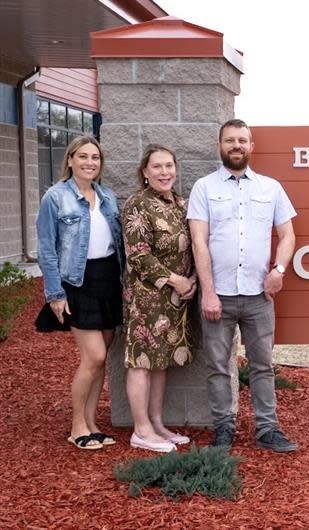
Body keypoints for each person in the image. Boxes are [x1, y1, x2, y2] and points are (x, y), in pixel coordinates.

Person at [187, 119, 298, 452]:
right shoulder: (204, 188)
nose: (236, 145)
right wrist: (207, 291)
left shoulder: (270, 188)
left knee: (263, 365)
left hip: (259, 296)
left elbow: (289, 234)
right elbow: (198, 242)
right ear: (219, 146)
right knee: (219, 367)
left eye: (242, 140)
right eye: (230, 140)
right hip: (218, 295)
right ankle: (224, 429)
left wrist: (278, 269)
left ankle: (268, 430)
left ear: (252, 146)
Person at [36, 136, 124, 450]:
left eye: (95, 158)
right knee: (94, 356)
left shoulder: (108, 197)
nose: (90, 162)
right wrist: (54, 294)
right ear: (70, 160)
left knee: (101, 360)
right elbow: (46, 249)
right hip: (77, 283)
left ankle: (91, 424)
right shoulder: (55, 197)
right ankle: (77, 427)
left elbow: (118, 245)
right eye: (83, 156)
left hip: (108, 281)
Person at [122, 144, 197, 453]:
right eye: (157, 167)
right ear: (145, 172)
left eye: (169, 166)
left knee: (161, 361)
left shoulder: (180, 204)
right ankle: (140, 430)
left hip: (175, 301)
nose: (165, 172)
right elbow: (138, 255)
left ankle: (156, 424)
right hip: (146, 298)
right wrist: (177, 280)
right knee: (141, 360)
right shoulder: (137, 204)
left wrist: (190, 280)